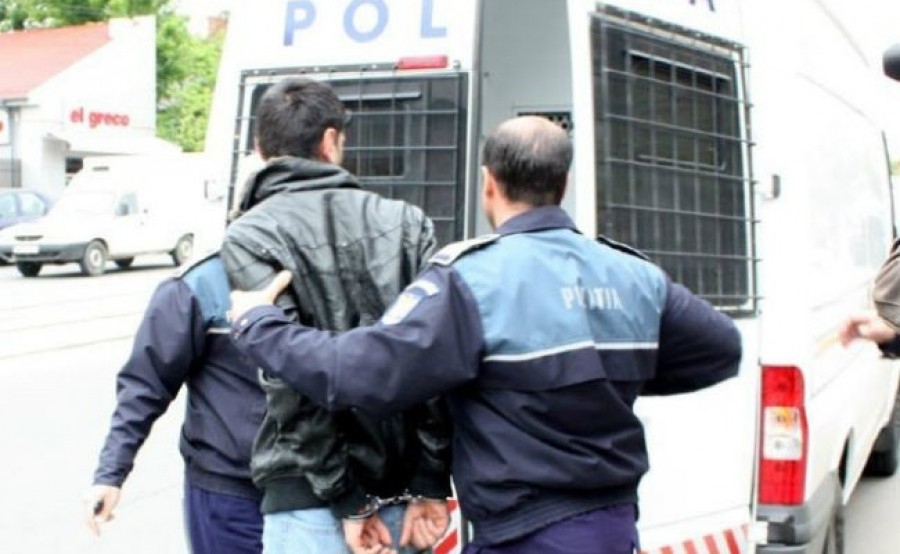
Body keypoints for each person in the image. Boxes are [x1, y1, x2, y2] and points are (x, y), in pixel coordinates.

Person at [226, 116, 744, 554]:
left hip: (526, 536)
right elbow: (722, 349)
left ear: (488, 182)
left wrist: (259, 323)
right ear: (563, 183)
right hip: (611, 529)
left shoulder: (471, 281)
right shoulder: (633, 275)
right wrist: (608, 368)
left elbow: (358, 374)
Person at [219, 77, 452, 554]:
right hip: (402, 496)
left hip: (306, 497)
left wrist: (347, 498)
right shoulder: (407, 223)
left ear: (261, 149)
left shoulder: (249, 235)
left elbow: (288, 381)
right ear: (331, 141)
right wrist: (430, 479)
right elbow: (434, 362)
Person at [84, 251, 266, 554]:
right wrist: (110, 472)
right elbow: (146, 385)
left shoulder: (327, 266)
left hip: (319, 492)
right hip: (231, 491)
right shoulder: (201, 282)